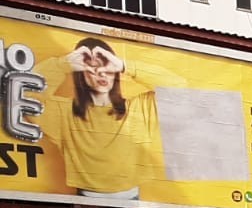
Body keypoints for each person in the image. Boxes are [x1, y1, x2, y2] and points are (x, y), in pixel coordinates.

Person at [36, 37, 166, 199]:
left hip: (132, 204)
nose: (100, 73)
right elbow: (22, 94)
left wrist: (124, 65)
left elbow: (180, 89)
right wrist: (63, 64)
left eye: (106, 66)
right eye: (91, 69)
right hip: (87, 202)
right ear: (81, 76)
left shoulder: (139, 109)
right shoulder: (64, 112)